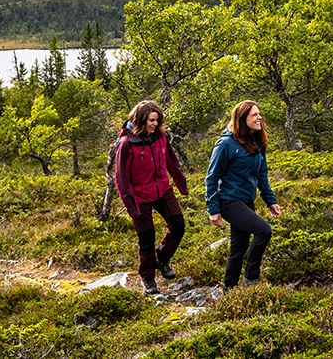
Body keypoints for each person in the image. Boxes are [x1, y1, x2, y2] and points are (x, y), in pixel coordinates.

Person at [205, 100, 281, 289]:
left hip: (247, 201)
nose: (259, 118)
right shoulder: (226, 144)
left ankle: (229, 291)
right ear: (242, 118)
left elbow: (262, 174)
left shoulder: (256, 141)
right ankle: (251, 278)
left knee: (238, 249)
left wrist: (270, 200)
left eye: (259, 114)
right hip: (229, 201)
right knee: (264, 231)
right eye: (254, 115)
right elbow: (211, 177)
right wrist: (213, 209)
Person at [114, 100, 188, 295]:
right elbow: (121, 179)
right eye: (151, 120)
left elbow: (172, 162)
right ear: (140, 120)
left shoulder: (160, 137)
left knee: (178, 225)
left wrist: (181, 185)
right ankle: (148, 279)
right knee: (146, 238)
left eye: (157, 120)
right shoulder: (126, 144)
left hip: (162, 189)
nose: (155, 124)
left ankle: (162, 258)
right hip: (139, 196)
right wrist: (131, 206)